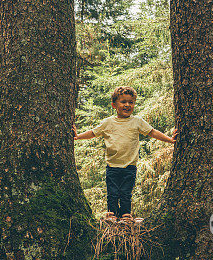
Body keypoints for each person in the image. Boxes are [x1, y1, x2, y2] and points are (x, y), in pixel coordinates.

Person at [73, 86, 176, 222]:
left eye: (131, 102)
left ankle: (126, 215)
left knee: (126, 193)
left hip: (129, 166)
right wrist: (78, 136)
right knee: (113, 193)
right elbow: (93, 132)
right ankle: (112, 215)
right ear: (114, 105)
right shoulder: (108, 122)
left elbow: (153, 132)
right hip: (112, 166)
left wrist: (170, 140)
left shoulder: (137, 122)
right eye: (123, 102)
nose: (127, 105)